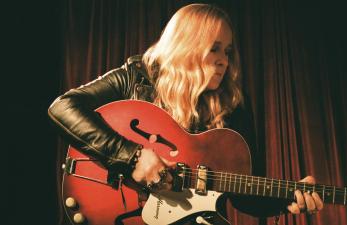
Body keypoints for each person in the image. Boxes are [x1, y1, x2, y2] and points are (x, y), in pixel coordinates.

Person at [48, 3, 323, 224]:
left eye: (227, 51)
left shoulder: (234, 106)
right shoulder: (136, 77)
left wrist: (288, 198)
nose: (224, 60)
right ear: (188, 45)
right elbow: (63, 107)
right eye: (213, 48)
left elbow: (245, 195)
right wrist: (132, 157)